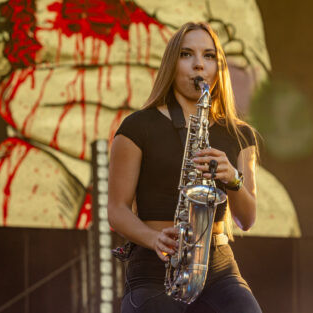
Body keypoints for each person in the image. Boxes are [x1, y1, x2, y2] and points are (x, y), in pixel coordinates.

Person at [107, 22, 262, 313]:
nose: (199, 65)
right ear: (172, 64)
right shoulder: (137, 127)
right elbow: (117, 210)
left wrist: (233, 179)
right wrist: (153, 238)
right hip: (156, 268)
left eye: (209, 56)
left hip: (218, 266)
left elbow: (247, 219)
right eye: (187, 54)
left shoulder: (240, 135)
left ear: (219, 67)